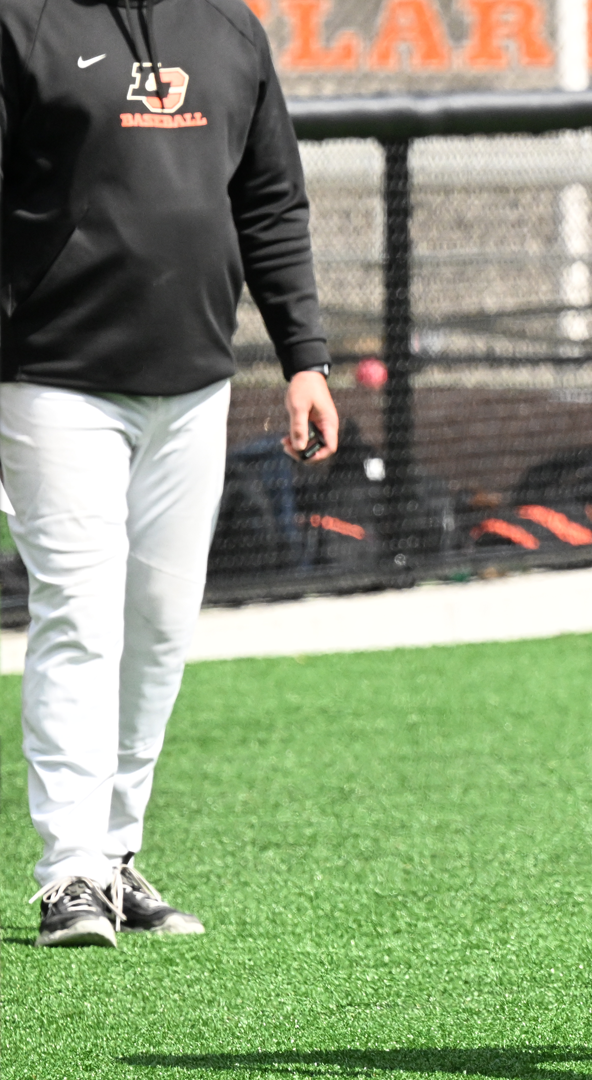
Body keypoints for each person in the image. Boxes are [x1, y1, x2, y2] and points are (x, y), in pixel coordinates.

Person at [5, 0, 338, 947]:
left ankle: (113, 854)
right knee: (79, 609)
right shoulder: (21, 21)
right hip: (51, 379)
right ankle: (67, 871)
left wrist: (304, 357)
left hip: (194, 383)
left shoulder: (228, 29)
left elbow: (270, 200)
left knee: (158, 624)